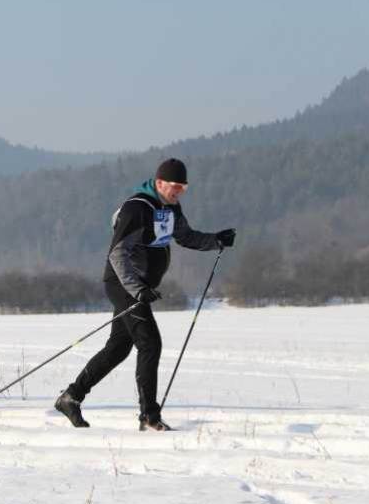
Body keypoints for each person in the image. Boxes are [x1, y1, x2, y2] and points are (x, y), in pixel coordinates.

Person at [54, 158, 236, 431]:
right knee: (150, 343)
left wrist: (215, 240)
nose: (178, 192)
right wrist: (137, 289)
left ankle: (71, 397)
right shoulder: (137, 208)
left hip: (139, 287)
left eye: (183, 188)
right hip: (123, 284)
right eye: (174, 186)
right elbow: (117, 254)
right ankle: (149, 417)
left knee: (118, 348)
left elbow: (185, 236)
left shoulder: (170, 208)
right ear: (159, 182)